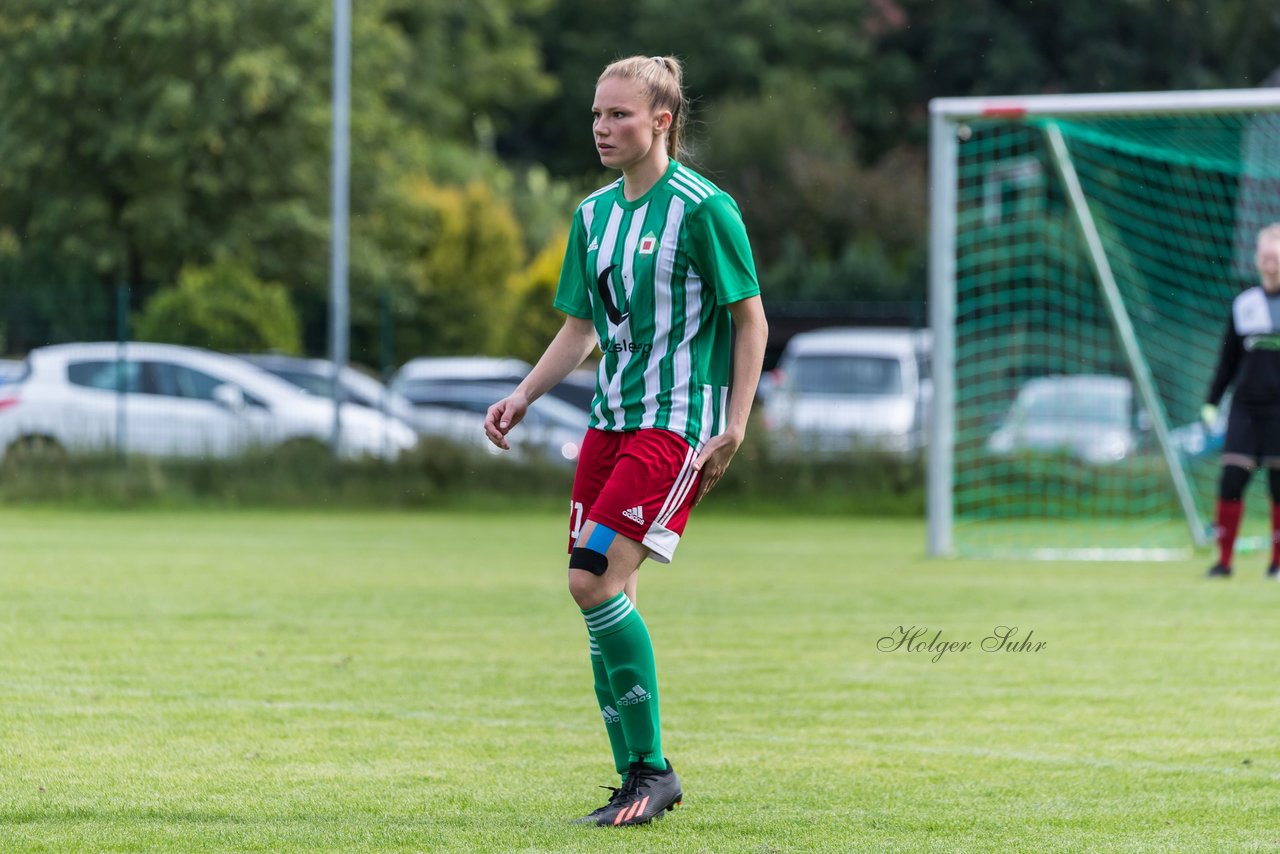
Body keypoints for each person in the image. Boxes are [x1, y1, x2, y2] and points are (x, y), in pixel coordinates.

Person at [484, 54, 768, 826]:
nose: (604, 129)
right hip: (607, 424)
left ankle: (654, 770)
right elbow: (580, 331)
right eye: (597, 115)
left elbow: (750, 320)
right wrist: (522, 394)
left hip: (675, 424)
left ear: (662, 122)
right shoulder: (593, 216)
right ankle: (633, 784)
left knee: (590, 579)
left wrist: (735, 424)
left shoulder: (705, 209)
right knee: (603, 598)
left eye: (620, 116)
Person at [1204, 223, 1280, 579]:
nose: (1270, 263)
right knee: (1231, 480)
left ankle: (1277, 565)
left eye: (1276, 257)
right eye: (1265, 256)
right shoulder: (1244, 304)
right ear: (1257, 259)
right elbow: (1227, 359)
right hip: (1246, 409)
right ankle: (1224, 562)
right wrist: (1211, 401)